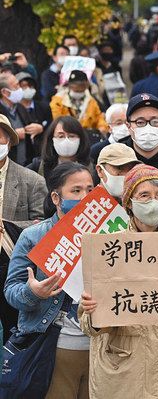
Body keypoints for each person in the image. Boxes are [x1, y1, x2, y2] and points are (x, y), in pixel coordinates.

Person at [78, 165, 158, 399]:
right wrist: (92, 312)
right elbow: (88, 325)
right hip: (125, 366)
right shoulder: (108, 249)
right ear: (129, 202)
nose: (153, 202)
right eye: (144, 196)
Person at [5, 162, 94, 398]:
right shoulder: (34, 236)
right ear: (56, 197)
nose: (84, 197)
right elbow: (11, 291)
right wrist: (33, 293)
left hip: (100, 348)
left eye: (90, 190)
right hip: (53, 348)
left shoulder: (107, 234)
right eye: (76, 191)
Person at [0, 114, 47, 341]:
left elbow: (42, 224)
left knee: (12, 327)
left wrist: (7, 227)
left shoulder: (31, 179)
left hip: (13, 261)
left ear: (9, 141)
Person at [28, 116, 97, 183]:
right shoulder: (39, 166)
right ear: (52, 140)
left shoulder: (92, 169)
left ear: (81, 139)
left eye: (71, 136)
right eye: (61, 136)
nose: (66, 140)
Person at [0, 72, 43, 165]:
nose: (20, 89)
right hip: (6, 163)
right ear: (5, 92)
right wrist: (13, 134)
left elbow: (29, 127)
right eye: (16, 86)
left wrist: (38, 128)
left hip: (25, 163)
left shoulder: (20, 107)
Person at [50, 70, 108, 136]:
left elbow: (99, 117)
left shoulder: (91, 100)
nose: (79, 92)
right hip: (67, 134)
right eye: (76, 90)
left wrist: (102, 127)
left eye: (82, 89)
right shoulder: (58, 101)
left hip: (88, 134)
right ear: (69, 86)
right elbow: (57, 120)